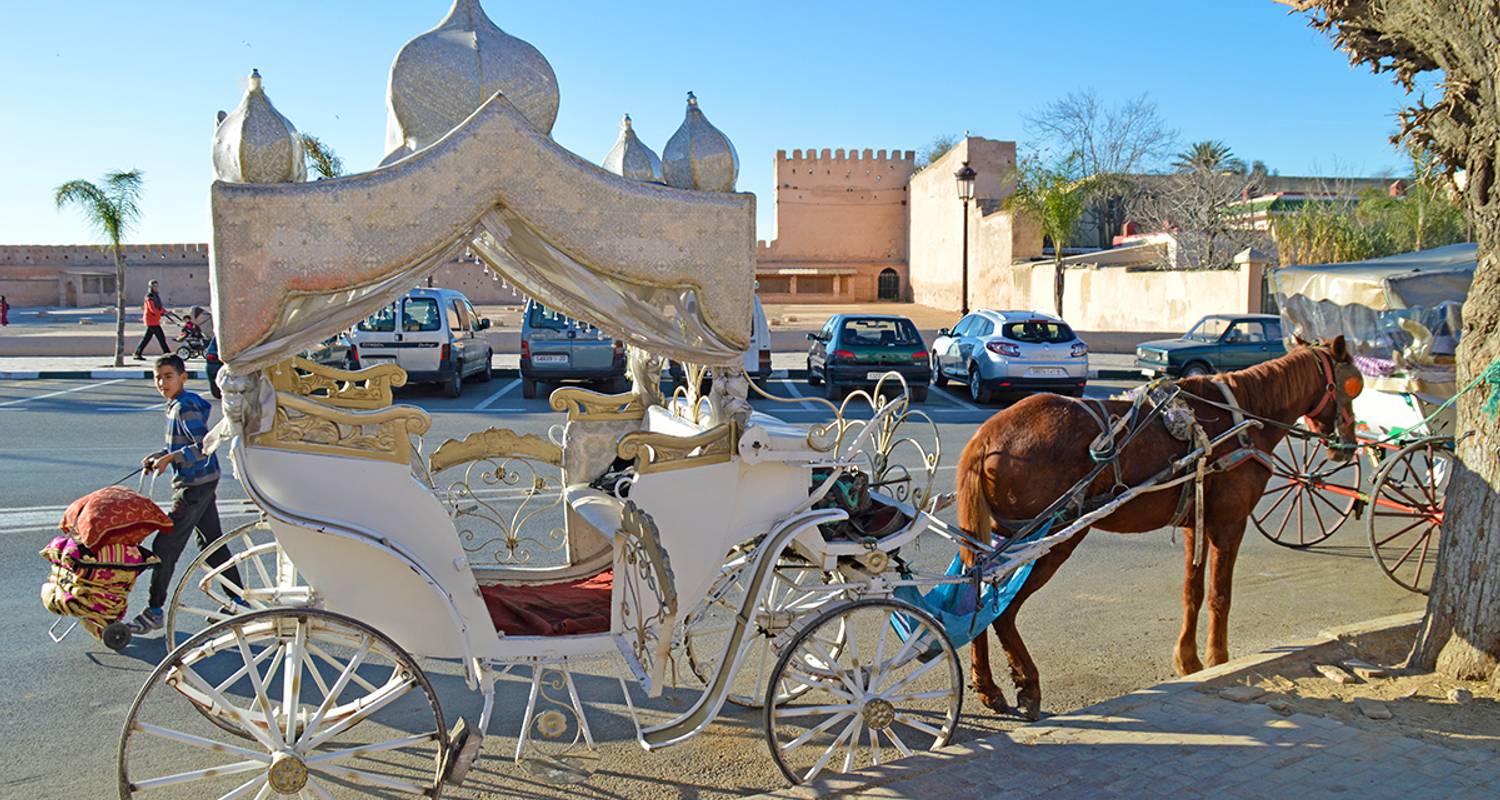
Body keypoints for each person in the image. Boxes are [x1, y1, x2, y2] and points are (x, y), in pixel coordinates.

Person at [126, 355, 244, 634]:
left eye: (168, 376)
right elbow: (184, 445)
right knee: (211, 543)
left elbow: (203, 445)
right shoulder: (176, 406)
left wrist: (172, 459)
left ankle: (155, 610)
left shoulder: (184, 407)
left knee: (165, 547)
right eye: (158, 378)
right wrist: (163, 455)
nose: (162, 382)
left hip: (193, 486)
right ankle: (239, 599)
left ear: (182, 378)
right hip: (202, 481)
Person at [132, 280, 170, 360]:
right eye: (154, 286)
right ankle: (167, 354)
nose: (156, 288)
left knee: (147, 338)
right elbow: (152, 309)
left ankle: (137, 353)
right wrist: (160, 313)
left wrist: (165, 312)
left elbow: (159, 307)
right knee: (161, 337)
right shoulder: (149, 296)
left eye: (156, 286)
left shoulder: (156, 296)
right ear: (150, 287)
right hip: (151, 320)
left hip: (154, 320)